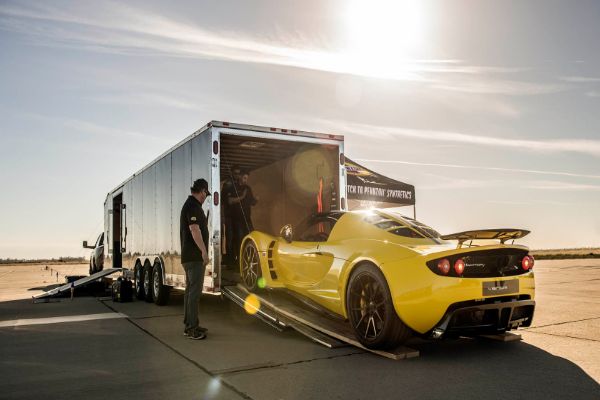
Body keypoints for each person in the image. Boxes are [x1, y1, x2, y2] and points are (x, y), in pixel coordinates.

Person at [180, 178, 211, 340]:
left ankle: (190, 325)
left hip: (189, 257)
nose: (206, 197)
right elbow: (194, 229)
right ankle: (192, 328)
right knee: (194, 293)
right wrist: (204, 252)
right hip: (194, 257)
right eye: (206, 193)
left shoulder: (191, 205)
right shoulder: (192, 206)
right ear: (202, 191)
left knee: (189, 293)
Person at [229, 169, 258, 264]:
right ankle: (239, 262)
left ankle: (250, 260)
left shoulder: (248, 188)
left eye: (247, 178)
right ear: (240, 177)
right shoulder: (233, 187)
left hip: (247, 218)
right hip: (237, 219)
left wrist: (256, 200)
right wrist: (242, 197)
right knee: (239, 240)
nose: (246, 180)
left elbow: (252, 202)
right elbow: (230, 201)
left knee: (252, 238)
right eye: (244, 178)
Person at [221, 165, 241, 266]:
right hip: (229, 215)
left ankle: (235, 260)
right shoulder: (228, 183)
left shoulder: (239, 184)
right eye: (235, 173)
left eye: (238, 173)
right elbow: (227, 201)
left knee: (237, 237)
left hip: (236, 216)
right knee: (230, 237)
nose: (237, 175)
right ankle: (229, 260)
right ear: (232, 173)